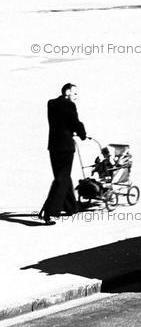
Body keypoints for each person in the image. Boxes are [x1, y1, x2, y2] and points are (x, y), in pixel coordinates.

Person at [39, 83, 87, 225]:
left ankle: (71, 207)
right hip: (65, 146)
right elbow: (74, 123)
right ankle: (50, 213)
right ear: (67, 92)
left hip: (53, 146)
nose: (76, 97)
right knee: (62, 178)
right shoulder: (69, 106)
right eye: (75, 93)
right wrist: (82, 134)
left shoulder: (51, 104)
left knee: (62, 176)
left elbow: (60, 122)